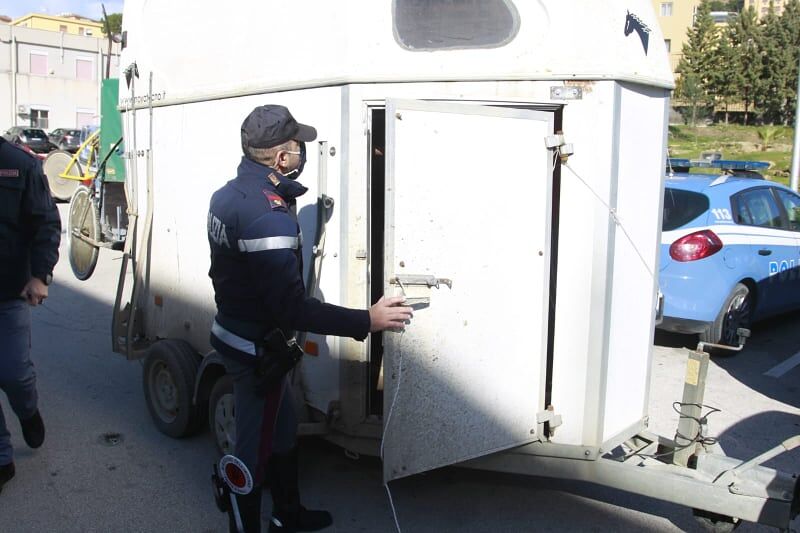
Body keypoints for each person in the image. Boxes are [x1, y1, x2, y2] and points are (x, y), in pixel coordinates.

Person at [208, 104, 412, 533]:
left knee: (283, 429)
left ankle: (288, 514)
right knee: (250, 455)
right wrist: (367, 320)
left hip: (242, 335)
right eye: (298, 145)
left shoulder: (227, 195)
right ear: (282, 158)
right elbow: (293, 308)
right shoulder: (267, 216)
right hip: (255, 353)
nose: (303, 151)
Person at [0, 137, 61, 494]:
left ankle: (27, 410)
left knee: (14, 373)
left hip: (9, 292)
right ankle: (2, 459)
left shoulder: (19, 165)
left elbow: (46, 223)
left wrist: (40, 275)